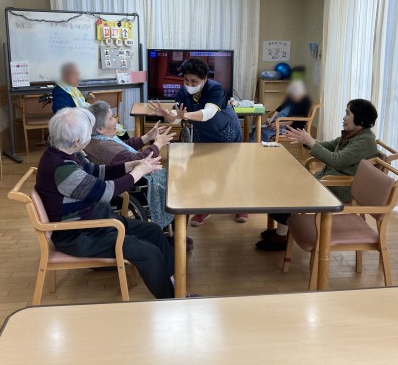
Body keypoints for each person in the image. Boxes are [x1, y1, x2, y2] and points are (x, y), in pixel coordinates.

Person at [35, 107, 175, 299]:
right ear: (77, 141)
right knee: (148, 252)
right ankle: (170, 299)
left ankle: (173, 282)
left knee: (154, 231)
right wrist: (138, 172)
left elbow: (96, 171)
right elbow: (106, 192)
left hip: (95, 222)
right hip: (78, 235)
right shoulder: (62, 169)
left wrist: (130, 166)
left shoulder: (67, 153)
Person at [256, 99, 380, 251]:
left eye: (348, 114)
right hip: (328, 182)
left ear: (360, 118)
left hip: (339, 188)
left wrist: (311, 142)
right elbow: (328, 145)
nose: (344, 117)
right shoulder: (354, 135)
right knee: (284, 184)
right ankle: (283, 230)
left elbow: (337, 160)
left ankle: (281, 236)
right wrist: (306, 140)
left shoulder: (365, 141)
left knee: (289, 191)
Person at [83, 102, 196, 251]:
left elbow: (126, 146)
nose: (115, 119)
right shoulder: (102, 146)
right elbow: (139, 159)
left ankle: (176, 235)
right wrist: (158, 144)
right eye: (111, 118)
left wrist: (148, 136)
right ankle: (177, 237)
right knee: (181, 188)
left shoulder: (100, 139)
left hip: (136, 175)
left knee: (178, 180)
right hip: (136, 183)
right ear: (100, 129)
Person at [148, 57, 247, 226]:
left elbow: (208, 113)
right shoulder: (183, 93)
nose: (189, 84)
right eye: (186, 80)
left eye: (194, 81)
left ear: (205, 79)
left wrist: (185, 115)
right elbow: (176, 118)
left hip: (226, 132)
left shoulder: (215, 88)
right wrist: (167, 115)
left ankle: (241, 205)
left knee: (230, 170)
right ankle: (204, 208)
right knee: (201, 171)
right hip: (203, 133)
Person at [52, 62, 128, 138]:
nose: (78, 77)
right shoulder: (60, 91)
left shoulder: (71, 88)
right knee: (117, 131)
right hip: (81, 125)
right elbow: (61, 113)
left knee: (118, 128)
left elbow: (77, 103)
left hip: (88, 119)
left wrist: (86, 99)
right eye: (75, 75)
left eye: (78, 74)